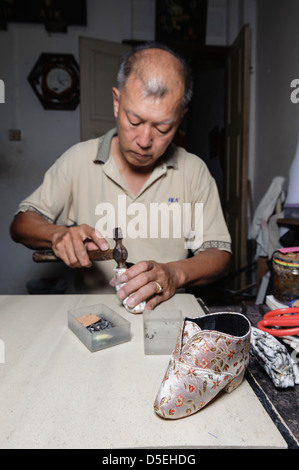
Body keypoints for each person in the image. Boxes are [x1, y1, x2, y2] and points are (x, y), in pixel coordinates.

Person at [10, 42, 231, 310]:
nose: (144, 141)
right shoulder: (79, 160)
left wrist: (174, 274)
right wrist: (57, 235)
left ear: (181, 118)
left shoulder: (193, 171)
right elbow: (21, 224)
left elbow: (218, 253)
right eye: (134, 121)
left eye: (163, 128)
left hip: (167, 317)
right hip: (94, 317)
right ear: (117, 102)